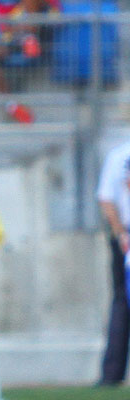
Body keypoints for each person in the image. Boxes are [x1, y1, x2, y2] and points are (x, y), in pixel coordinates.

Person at [0, 0, 61, 123]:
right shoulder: (3, 4)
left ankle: (30, 39)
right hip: (13, 37)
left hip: (42, 31)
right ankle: (11, 105)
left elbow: (55, 12)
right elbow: (4, 25)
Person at [96, 141, 130, 386]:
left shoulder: (118, 154)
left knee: (122, 302)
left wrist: (120, 234)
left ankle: (112, 375)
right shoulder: (118, 154)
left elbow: (106, 199)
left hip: (125, 237)